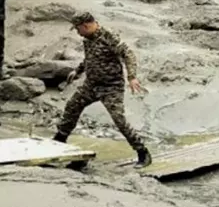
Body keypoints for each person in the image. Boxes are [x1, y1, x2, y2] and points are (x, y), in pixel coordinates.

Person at [53, 13, 151, 168]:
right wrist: (77, 71)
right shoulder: (88, 40)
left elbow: (128, 54)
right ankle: (59, 140)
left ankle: (142, 152)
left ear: (85, 26)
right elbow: (90, 58)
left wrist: (132, 77)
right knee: (72, 106)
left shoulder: (108, 37)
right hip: (91, 85)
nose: (78, 33)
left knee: (119, 119)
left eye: (78, 29)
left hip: (111, 87)